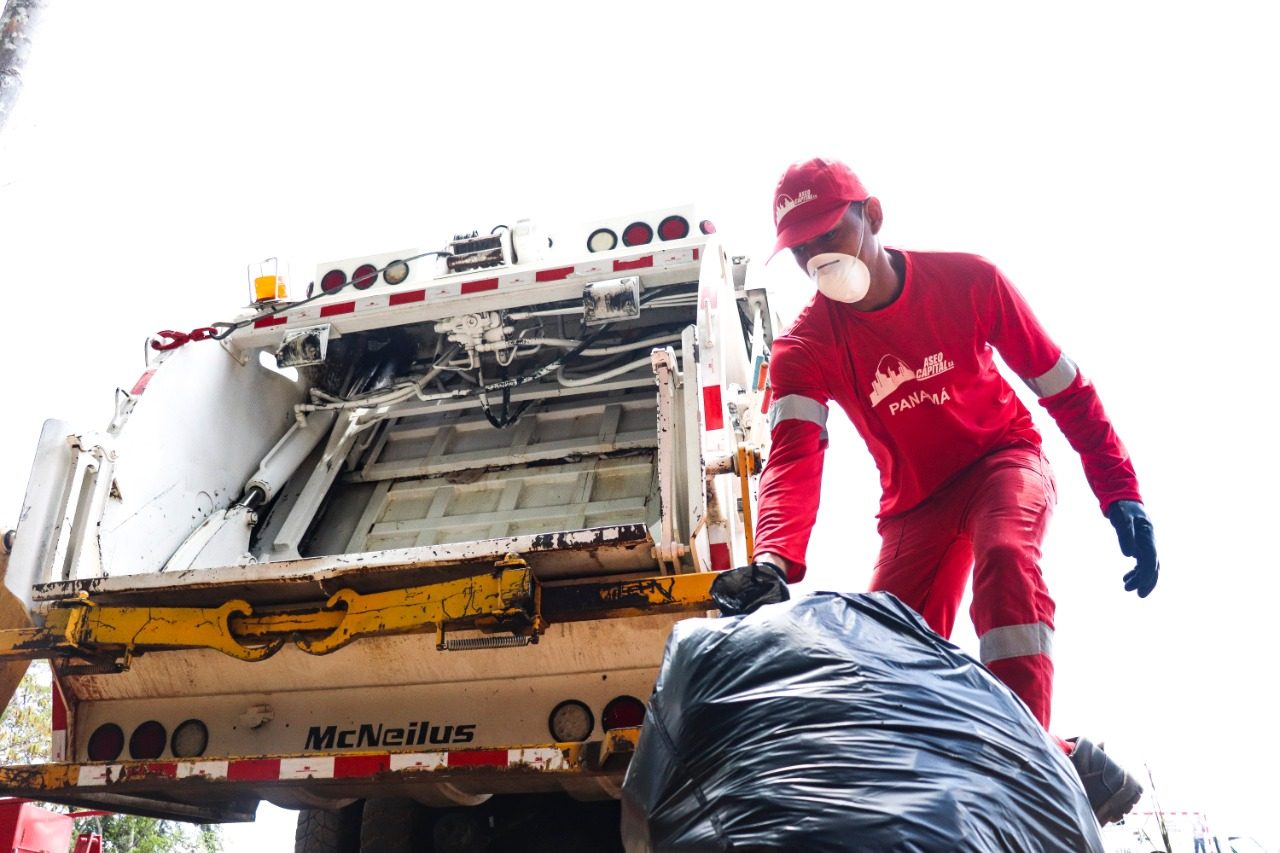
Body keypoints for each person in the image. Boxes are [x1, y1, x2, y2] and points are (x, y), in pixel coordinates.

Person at [709, 157, 1160, 825]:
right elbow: (793, 459)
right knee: (883, 674)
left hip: (1003, 462)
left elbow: (1063, 387)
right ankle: (1068, 757)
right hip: (914, 507)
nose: (816, 256)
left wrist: (1120, 491)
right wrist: (774, 561)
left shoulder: (968, 281)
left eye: (828, 233)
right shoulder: (804, 347)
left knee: (1006, 556)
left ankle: (1024, 763)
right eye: (801, 247)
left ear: (874, 217)